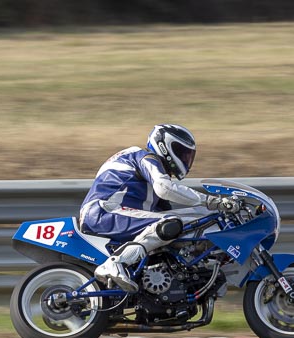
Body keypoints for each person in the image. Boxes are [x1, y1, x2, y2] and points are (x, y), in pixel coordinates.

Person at [79, 124, 239, 292]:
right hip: (104, 212)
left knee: (186, 222)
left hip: (113, 212)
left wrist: (209, 213)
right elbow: (165, 188)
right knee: (170, 223)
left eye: (188, 155)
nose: (185, 159)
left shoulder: (149, 173)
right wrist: (212, 201)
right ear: (163, 145)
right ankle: (115, 264)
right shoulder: (146, 157)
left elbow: (170, 211)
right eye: (181, 151)